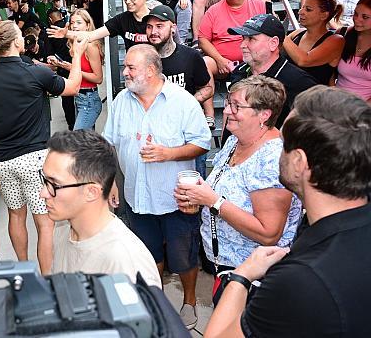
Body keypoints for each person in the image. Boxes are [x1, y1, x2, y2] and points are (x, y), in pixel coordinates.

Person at [205, 86, 371, 338]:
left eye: (284, 144)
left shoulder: (298, 280)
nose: (275, 148)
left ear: (299, 162)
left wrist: (241, 276)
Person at [102, 45, 211, 330]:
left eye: (130, 68)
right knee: (148, 255)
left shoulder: (183, 101)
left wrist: (169, 154)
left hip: (175, 198)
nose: (124, 72)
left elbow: (202, 142)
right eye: (125, 67)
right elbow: (109, 144)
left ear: (151, 71)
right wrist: (112, 180)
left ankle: (188, 302)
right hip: (136, 198)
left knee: (184, 255)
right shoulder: (121, 101)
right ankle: (158, 303)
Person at [0, 20, 87, 274]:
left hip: (3, 160)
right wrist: (77, 56)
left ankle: (24, 271)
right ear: (16, 43)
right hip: (34, 158)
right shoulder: (35, 72)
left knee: (15, 215)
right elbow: (73, 87)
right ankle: (46, 277)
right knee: (44, 223)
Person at [175, 76, 301, 290]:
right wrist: (198, 199)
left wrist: (212, 201)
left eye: (237, 106)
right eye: (227, 104)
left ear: (264, 114)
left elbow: (269, 233)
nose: (226, 111)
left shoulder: (271, 159)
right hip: (227, 268)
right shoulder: (235, 140)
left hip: (254, 278)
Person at [42, 129, 161, 287]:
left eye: (53, 184)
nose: (43, 193)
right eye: (44, 180)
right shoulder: (63, 230)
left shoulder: (126, 265)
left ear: (91, 192)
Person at [145, 5, 213, 178]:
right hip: (156, 133)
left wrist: (187, 103)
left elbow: (208, 88)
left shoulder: (190, 56)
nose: (153, 31)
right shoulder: (142, 60)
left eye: (160, 26)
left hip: (187, 131)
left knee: (193, 183)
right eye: (149, 27)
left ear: (173, 27)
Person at [228, 14, 317, 127]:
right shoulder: (240, 71)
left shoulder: (298, 81)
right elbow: (229, 113)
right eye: (243, 38)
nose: (242, 45)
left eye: (251, 38)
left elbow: (313, 126)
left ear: (273, 43)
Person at [48, 0, 152, 50]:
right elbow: (91, 35)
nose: (128, 1)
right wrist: (67, 34)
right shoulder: (122, 20)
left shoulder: (157, 17)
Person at [48, 10, 103, 130]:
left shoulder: (90, 46)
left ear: (88, 25)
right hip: (79, 98)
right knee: (87, 143)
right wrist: (61, 65)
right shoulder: (75, 43)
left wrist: (73, 68)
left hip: (89, 99)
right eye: (72, 23)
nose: (74, 26)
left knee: (78, 141)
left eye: (79, 22)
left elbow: (98, 78)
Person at [283, 0, 344, 85]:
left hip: (314, 97)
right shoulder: (297, 33)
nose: (300, 12)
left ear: (324, 15)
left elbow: (304, 60)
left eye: (308, 9)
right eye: (302, 8)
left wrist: (280, 34)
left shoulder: (336, 40)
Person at [336, 0, 371, 101]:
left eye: (365, 17)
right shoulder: (343, 33)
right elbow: (329, 71)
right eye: (356, 14)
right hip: (334, 103)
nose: (357, 19)